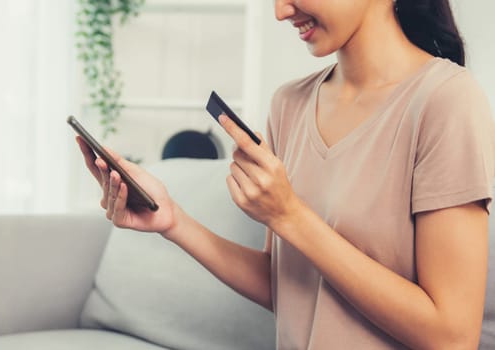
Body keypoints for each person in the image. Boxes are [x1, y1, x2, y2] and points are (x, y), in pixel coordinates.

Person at [76, 0, 495, 348]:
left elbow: (451, 336)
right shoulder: (289, 104)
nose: (280, 11)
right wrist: (173, 221)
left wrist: (289, 215)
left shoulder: (445, 101)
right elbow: (287, 287)